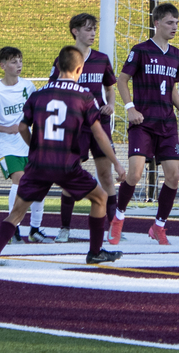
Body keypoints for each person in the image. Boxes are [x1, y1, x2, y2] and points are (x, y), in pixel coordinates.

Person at [0, 46, 126, 266]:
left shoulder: (38, 94)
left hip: (39, 164)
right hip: (67, 164)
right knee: (100, 198)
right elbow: (99, 135)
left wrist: (34, 148)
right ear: (79, 69)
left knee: (17, 212)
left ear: (58, 66)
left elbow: (22, 127)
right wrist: (116, 163)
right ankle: (95, 252)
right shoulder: (84, 96)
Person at [109, 3, 179, 246]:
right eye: (169, 23)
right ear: (156, 23)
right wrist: (130, 108)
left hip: (167, 123)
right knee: (135, 174)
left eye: (176, 23)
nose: (174, 27)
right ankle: (118, 219)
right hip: (143, 123)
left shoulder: (176, 54)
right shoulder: (140, 50)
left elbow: (172, 88)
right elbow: (122, 80)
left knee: (174, 177)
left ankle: (158, 226)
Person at [48, 14, 118, 243]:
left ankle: (113, 228)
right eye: (88, 29)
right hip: (74, 125)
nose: (93, 33)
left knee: (106, 175)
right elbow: (53, 88)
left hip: (98, 123)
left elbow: (110, 88)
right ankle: (65, 227)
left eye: (94, 29)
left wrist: (111, 105)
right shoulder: (64, 59)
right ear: (75, 31)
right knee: (71, 174)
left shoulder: (101, 59)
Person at [0, 47, 47, 243]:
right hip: (6, 145)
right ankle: (13, 228)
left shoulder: (28, 86)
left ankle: (35, 229)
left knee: (39, 183)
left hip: (27, 143)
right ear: (3, 66)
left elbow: (37, 109)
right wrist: (7, 128)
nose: (19, 65)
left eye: (20, 61)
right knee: (20, 180)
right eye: (13, 61)